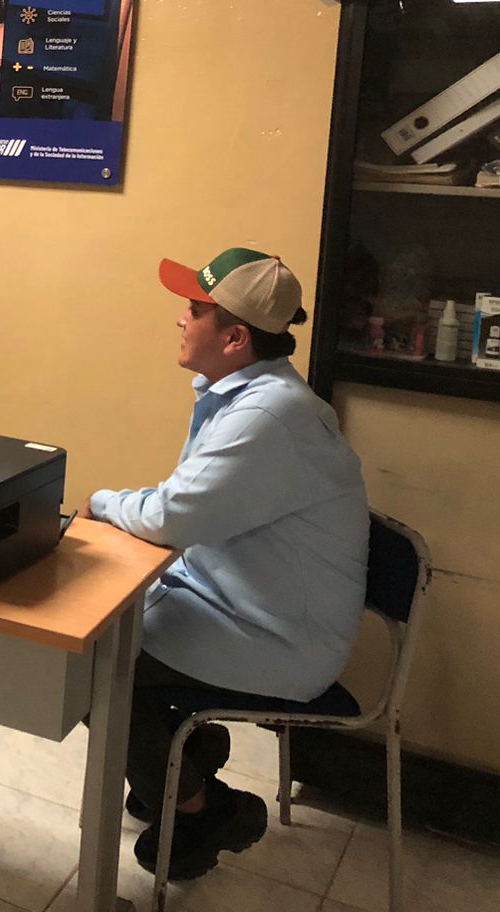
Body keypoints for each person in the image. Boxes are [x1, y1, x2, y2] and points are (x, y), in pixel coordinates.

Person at [83, 247, 369, 881]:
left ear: (235, 337)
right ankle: (190, 751)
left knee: (91, 665)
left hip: (279, 639)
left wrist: (99, 504)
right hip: (233, 604)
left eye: (194, 310)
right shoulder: (248, 396)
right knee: (105, 629)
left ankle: (203, 807)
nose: (180, 320)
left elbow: (173, 516)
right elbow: (186, 505)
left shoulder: (269, 415)